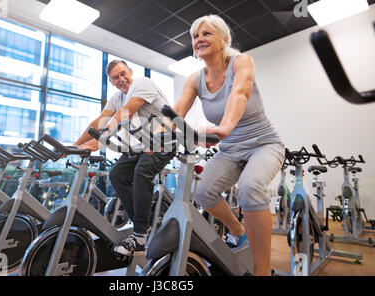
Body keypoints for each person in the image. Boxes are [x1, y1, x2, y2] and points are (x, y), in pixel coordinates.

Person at [172, 14, 285, 276]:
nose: (199, 39)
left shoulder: (241, 62)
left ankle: (262, 270)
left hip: (263, 144)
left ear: (224, 39)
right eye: (195, 36)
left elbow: (240, 92)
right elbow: (176, 112)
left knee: (250, 187)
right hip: (230, 150)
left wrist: (225, 126)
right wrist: (153, 137)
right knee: (203, 193)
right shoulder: (194, 79)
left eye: (206, 33)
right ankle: (237, 230)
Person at [73, 60, 174, 257]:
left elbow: (128, 111)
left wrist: (101, 140)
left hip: (164, 140)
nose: (120, 80)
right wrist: (75, 145)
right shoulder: (117, 97)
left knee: (141, 171)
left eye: (122, 74)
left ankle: (138, 237)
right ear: (111, 82)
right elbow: (99, 121)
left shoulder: (142, 83)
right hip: (141, 145)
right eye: (115, 78)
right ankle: (143, 221)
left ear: (130, 71)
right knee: (117, 174)